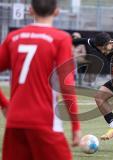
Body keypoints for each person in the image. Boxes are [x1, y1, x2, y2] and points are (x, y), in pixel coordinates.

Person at [0, 0, 81, 159]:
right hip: (44, 121)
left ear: (30, 10)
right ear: (57, 11)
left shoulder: (13, 37)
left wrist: (4, 104)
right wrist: (76, 125)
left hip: (14, 121)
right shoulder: (61, 38)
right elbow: (66, 84)